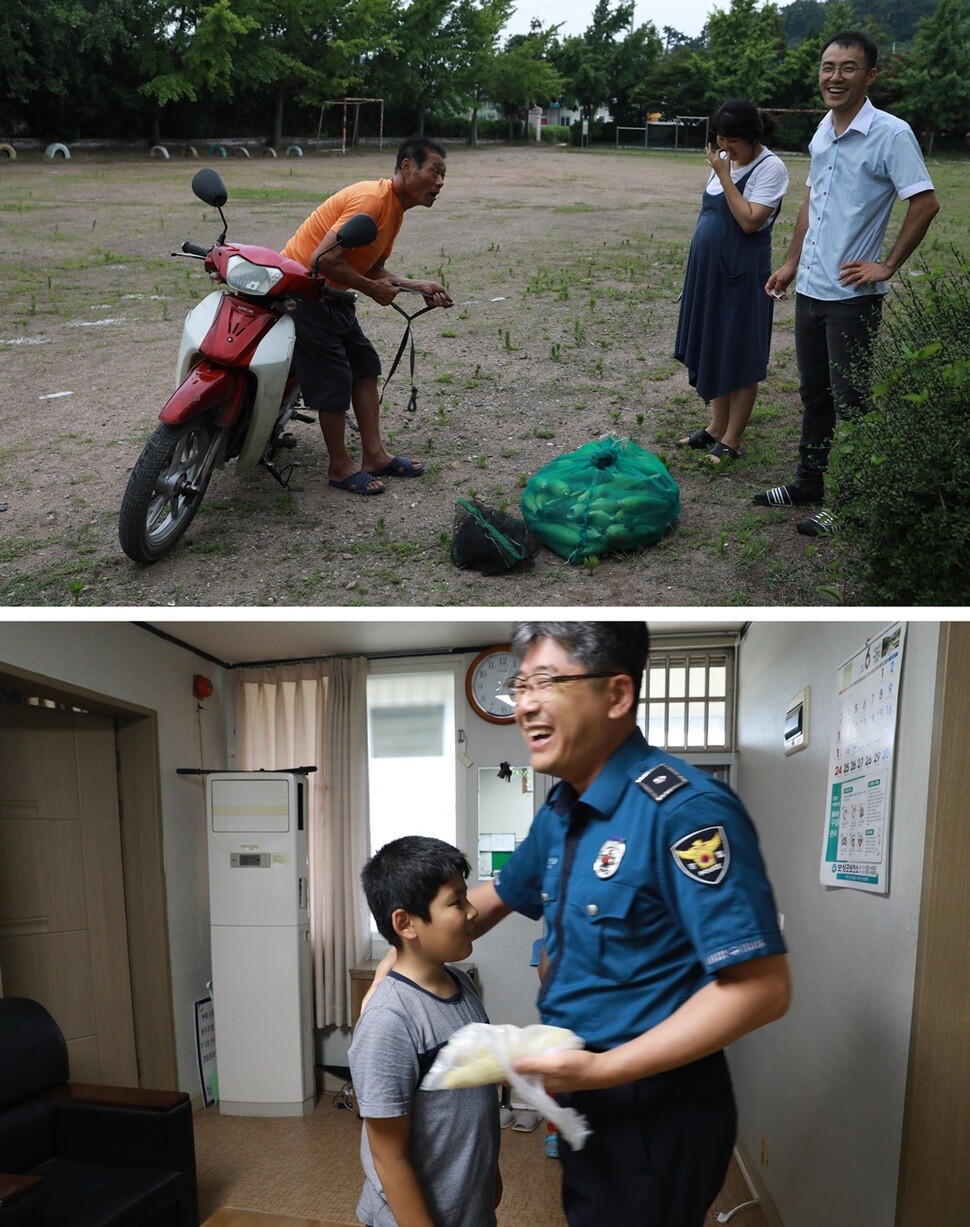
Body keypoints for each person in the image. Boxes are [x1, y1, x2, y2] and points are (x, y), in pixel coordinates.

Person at [364, 622, 790, 1227]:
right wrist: (398, 957)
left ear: (617, 695)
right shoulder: (562, 811)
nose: (526, 703)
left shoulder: (685, 811)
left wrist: (601, 1070)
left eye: (547, 681)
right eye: (521, 685)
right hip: (586, 1095)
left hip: (653, 1104)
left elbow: (762, 988)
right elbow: (490, 901)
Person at [757, 31, 940, 535]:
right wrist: (792, 262)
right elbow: (811, 202)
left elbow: (924, 203)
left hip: (852, 298)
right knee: (815, 395)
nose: (834, 77)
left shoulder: (891, 133)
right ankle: (808, 484)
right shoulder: (823, 130)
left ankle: (852, 500)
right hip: (812, 289)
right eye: (827, 67)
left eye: (848, 68)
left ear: (871, 75)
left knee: (852, 402)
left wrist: (887, 266)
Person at [281, 136, 454, 496]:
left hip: (331, 294)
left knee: (364, 364)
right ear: (408, 167)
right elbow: (322, 260)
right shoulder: (373, 200)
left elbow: (372, 267)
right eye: (435, 172)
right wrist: (371, 289)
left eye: (444, 175)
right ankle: (340, 466)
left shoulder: (394, 209)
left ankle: (374, 455)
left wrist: (416, 286)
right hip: (302, 293)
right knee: (336, 377)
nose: (440, 182)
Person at [348, 835, 502, 1227]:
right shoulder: (390, 1021)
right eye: (455, 902)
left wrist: (487, 1176)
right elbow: (388, 1155)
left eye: (467, 897)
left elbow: (470, 1103)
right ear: (406, 923)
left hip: (468, 1209)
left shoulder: (460, 983)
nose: (471, 912)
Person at [674, 100, 789, 463]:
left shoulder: (770, 168)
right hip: (709, 272)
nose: (725, 147)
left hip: (742, 274)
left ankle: (734, 438)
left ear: (753, 137)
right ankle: (715, 426)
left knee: (738, 351)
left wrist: (724, 176)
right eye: (720, 138)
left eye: (733, 140)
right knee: (713, 345)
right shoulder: (725, 159)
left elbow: (750, 221)